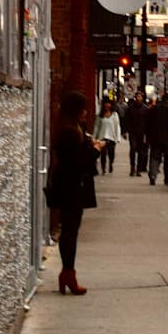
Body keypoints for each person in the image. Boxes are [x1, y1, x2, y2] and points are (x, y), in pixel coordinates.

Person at [46, 90, 101, 295]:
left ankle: (68, 273)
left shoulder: (66, 128)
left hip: (67, 185)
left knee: (69, 230)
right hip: (72, 187)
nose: (86, 112)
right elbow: (79, 161)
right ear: (76, 111)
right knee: (70, 231)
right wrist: (95, 150)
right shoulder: (70, 132)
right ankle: (68, 273)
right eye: (83, 109)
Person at [145, 93, 168, 187]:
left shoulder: (153, 109)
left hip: (155, 138)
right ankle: (167, 178)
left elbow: (147, 123)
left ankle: (153, 175)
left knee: (154, 158)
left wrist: (148, 136)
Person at [122, 92, 149, 176]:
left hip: (142, 132)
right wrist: (124, 131)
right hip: (132, 132)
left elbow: (148, 122)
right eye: (137, 96)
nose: (138, 98)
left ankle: (138, 169)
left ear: (142, 98)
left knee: (141, 151)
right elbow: (126, 120)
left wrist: (147, 133)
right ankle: (132, 167)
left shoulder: (145, 109)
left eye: (140, 97)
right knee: (133, 149)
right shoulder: (130, 108)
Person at [93, 99, 121, 173]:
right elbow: (96, 126)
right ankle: (103, 168)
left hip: (111, 137)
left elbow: (117, 126)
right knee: (103, 154)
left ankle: (111, 164)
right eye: (106, 103)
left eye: (109, 104)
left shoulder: (115, 115)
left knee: (111, 153)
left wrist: (118, 137)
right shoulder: (100, 115)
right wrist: (94, 137)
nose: (107, 105)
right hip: (102, 137)